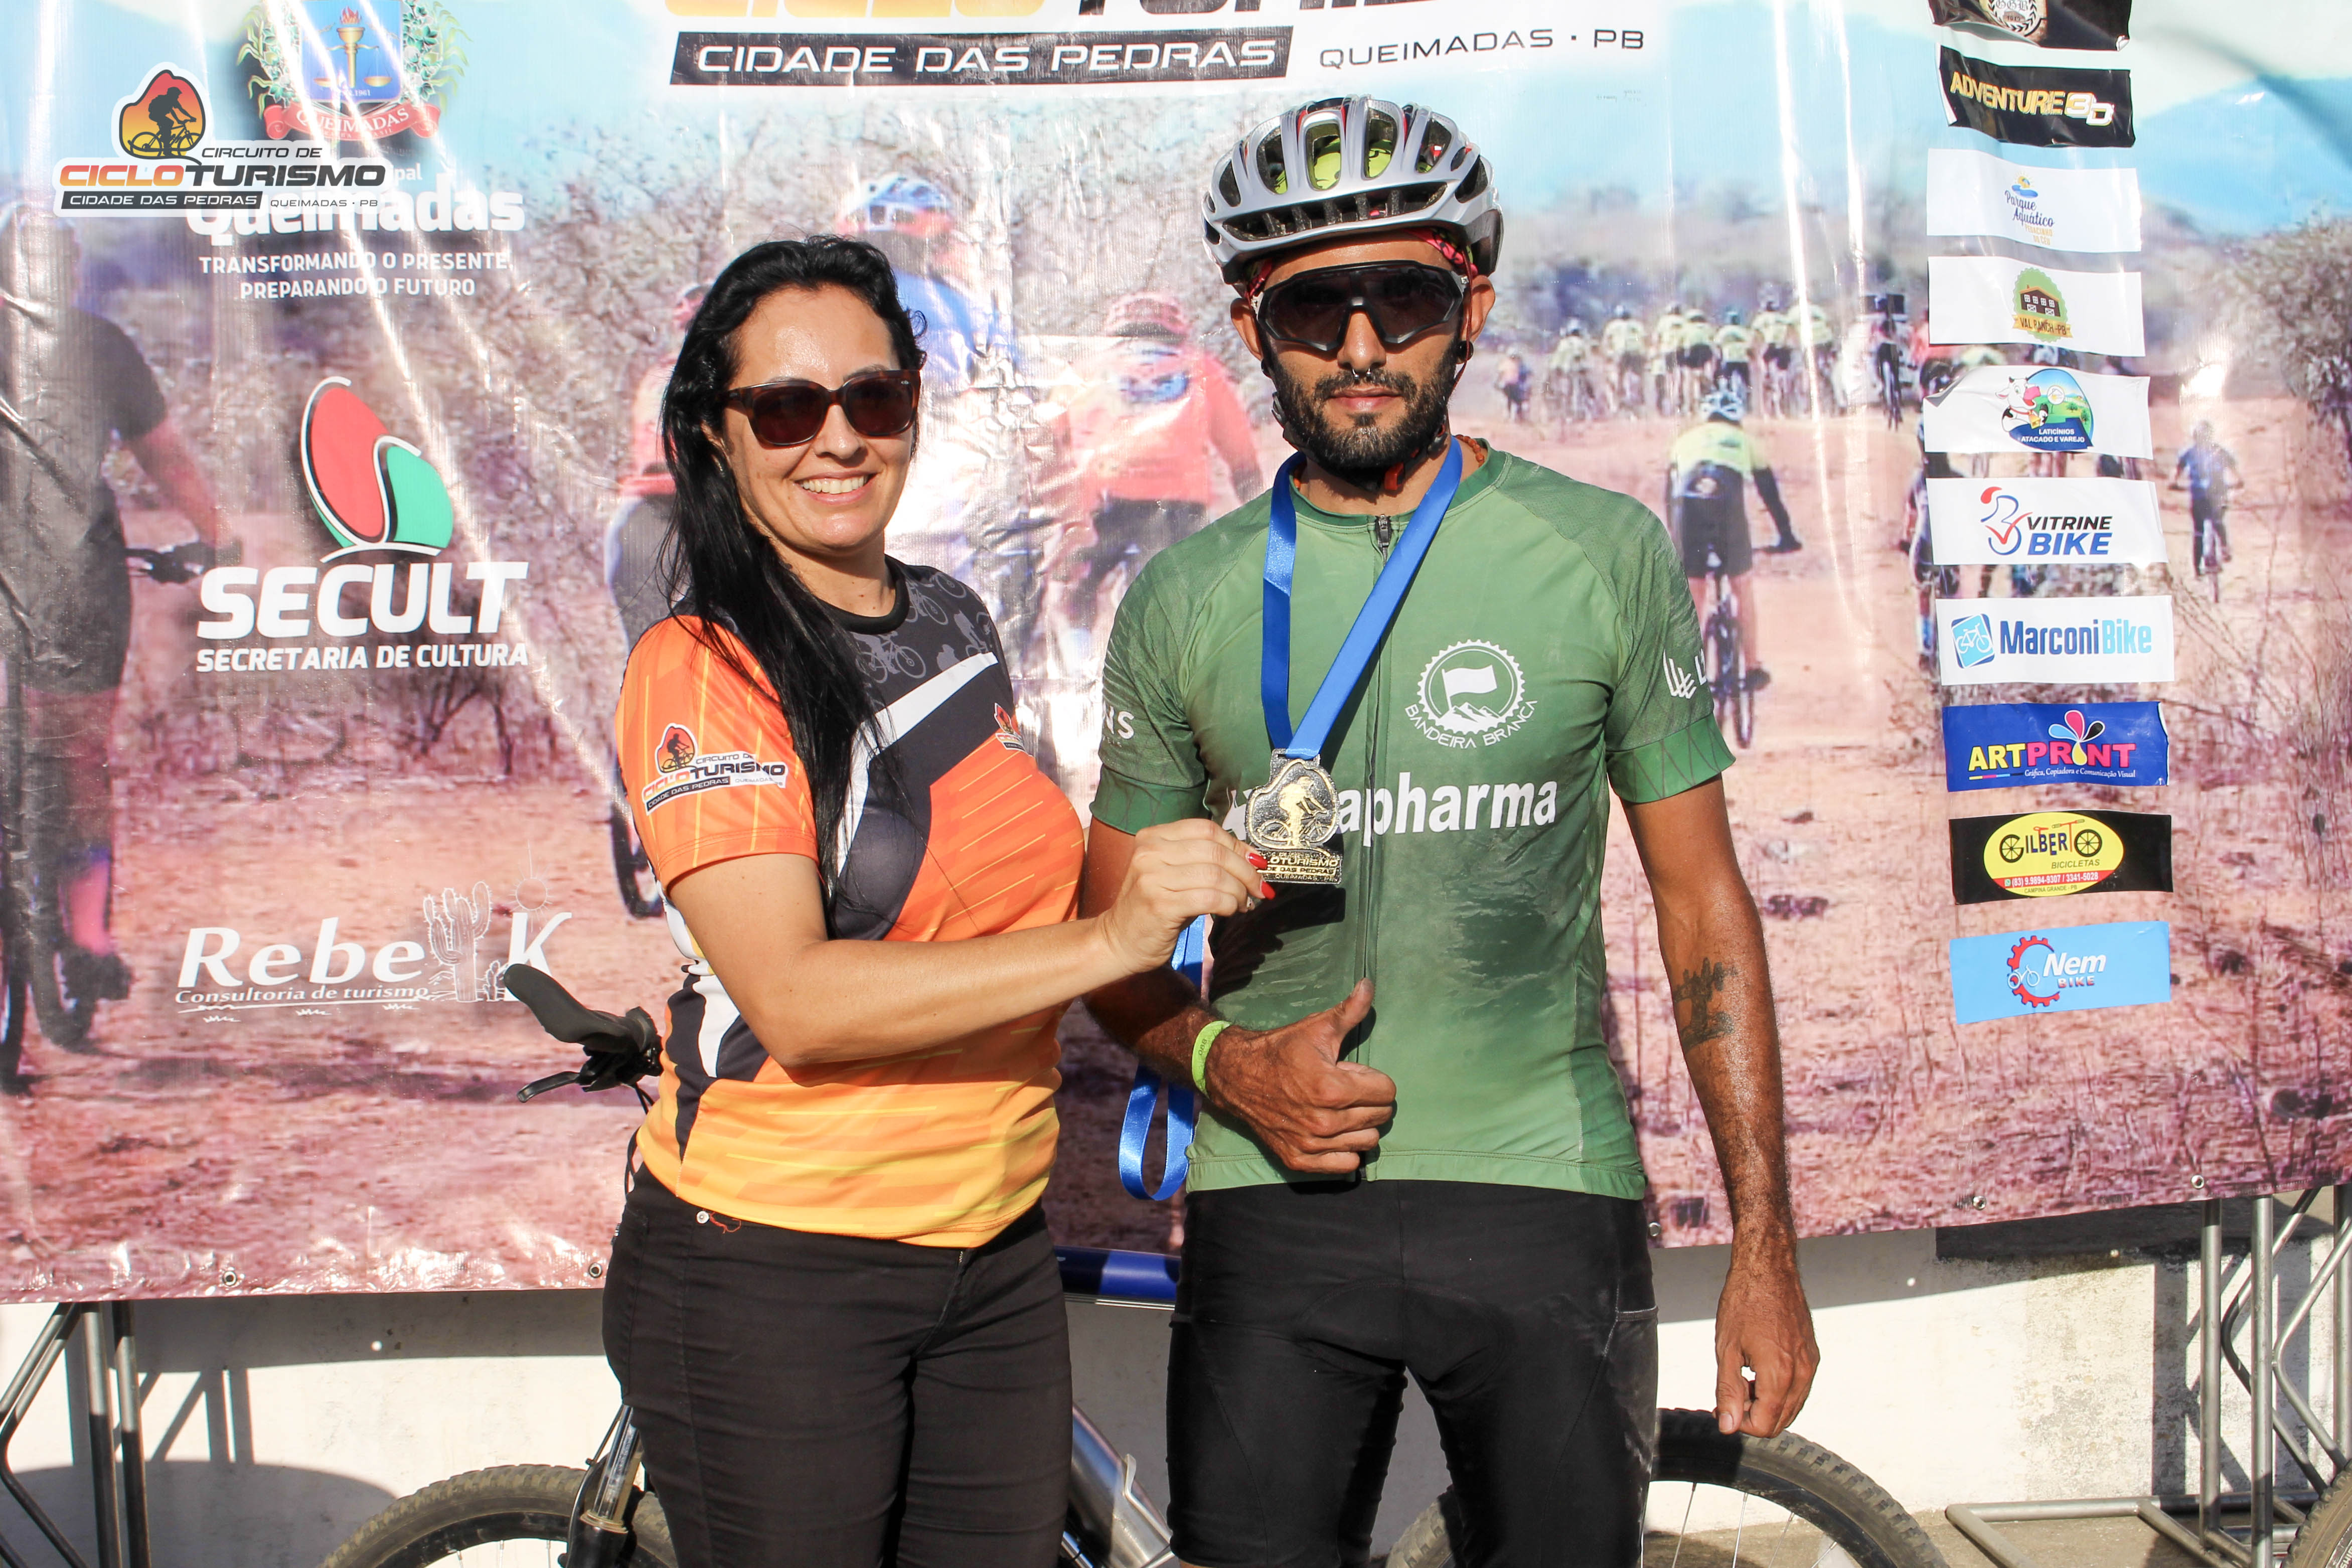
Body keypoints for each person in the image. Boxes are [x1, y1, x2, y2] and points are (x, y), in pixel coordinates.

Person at [1084, 96, 1818, 1568]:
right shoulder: (1184, 598)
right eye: (1313, 308)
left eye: (1402, 299)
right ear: (1253, 327)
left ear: (1469, 307)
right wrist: (1228, 1066)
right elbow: (1104, 943)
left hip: (1541, 1192)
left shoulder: (1601, 553)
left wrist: (1764, 1239)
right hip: (1274, 1198)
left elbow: (1701, 907)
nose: (1361, 345)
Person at [600, 235, 1266, 1568]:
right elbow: (798, 1001)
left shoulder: (953, 618)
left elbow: (1007, 887)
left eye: (874, 395)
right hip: (783, 1270)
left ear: (914, 403)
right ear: (717, 433)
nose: (838, 437)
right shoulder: (703, 664)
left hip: (994, 1250)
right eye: (785, 407)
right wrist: (1112, 937)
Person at [0, 204, 231, 1061]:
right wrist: (216, 538)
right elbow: (165, 458)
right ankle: (90, 936)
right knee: (78, 756)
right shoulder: (100, 346)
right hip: (76, 571)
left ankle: (84, 936)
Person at [1036, 291, 1263, 661]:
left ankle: (1078, 665)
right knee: (1174, 601)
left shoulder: (1086, 369)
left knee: (1077, 591)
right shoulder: (1201, 367)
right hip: (1179, 507)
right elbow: (1237, 445)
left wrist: (1058, 503)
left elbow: (1049, 436)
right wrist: (1254, 501)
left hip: (1102, 504)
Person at [1669, 386, 1800, 691]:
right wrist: (1786, 537)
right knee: (1741, 585)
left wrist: (1676, 542)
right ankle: (1753, 668)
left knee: (1694, 592)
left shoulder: (1684, 441)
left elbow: (1670, 497)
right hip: (1727, 505)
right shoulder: (1745, 440)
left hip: (1687, 507)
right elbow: (1770, 495)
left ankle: (1688, 674)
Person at [606, 280, 707, 652]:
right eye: (690, 323)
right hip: (655, 501)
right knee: (623, 572)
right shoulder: (659, 376)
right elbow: (647, 448)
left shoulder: (743, 374)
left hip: (712, 503)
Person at [2173, 418, 2242, 577]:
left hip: (2200, 496)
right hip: (2216, 495)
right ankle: (2223, 548)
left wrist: (2174, 483)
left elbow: (2178, 470)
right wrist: (2239, 482)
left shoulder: (2190, 453)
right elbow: (2233, 469)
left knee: (2199, 531)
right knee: (2217, 522)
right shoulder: (2219, 451)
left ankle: (2198, 569)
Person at [1601, 303, 1647, 415]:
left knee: (1618, 376)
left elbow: (1606, 343)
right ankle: (1638, 399)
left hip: (1620, 353)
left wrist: (1608, 354)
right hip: (1637, 353)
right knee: (1638, 376)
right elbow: (1645, 339)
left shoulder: (1612, 326)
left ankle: (1619, 399)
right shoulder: (1638, 325)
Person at [1714, 307, 1754, 401]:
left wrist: (1720, 357)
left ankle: (1726, 394)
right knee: (1747, 380)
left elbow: (1717, 345)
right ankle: (1749, 393)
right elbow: (1750, 345)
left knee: (1725, 377)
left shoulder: (1723, 331)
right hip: (1742, 359)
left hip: (1729, 359)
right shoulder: (1743, 331)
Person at [1492, 344, 1532, 422]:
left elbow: (1500, 374)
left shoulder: (1507, 363)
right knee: (1515, 401)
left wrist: (1497, 383)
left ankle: (1512, 416)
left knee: (1511, 400)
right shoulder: (1518, 364)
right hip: (1512, 386)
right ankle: (1514, 417)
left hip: (1510, 386)